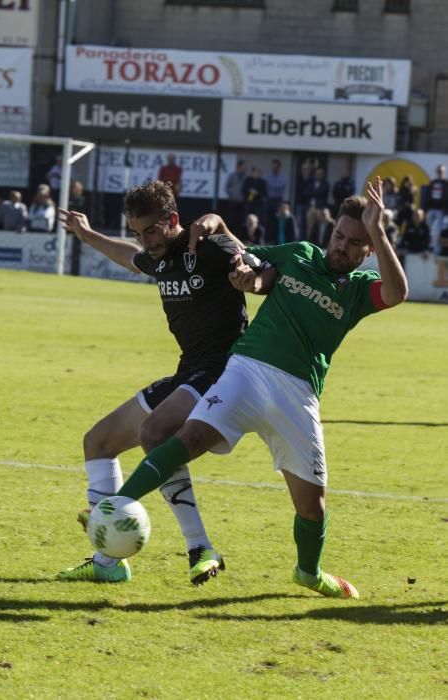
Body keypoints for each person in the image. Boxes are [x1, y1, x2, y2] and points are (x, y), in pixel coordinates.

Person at [112, 177, 408, 600]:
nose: (340, 245)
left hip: (298, 394)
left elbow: (398, 294)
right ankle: (115, 504)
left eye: (354, 242)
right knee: (190, 435)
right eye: (339, 235)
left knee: (312, 506)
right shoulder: (300, 253)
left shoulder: (359, 290)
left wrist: (379, 229)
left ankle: (308, 572)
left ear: (369, 250)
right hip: (246, 370)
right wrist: (226, 238)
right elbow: (245, 259)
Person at [57, 181, 273, 584]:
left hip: (223, 371)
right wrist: (87, 235)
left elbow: (263, 269)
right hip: (188, 370)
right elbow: (130, 256)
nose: (145, 241)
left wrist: (248, 271)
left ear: (173, 220)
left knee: (154, 432)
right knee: (98, 442)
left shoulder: (207, 248)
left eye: (151, 231)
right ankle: (109, 563)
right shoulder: (158, 257)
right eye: (138, 232)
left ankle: (199, 546)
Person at [424, 165, 448, 253]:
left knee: (438, 230)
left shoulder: (446, 183)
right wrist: (426, 207)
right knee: (429, 227)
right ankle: (429, 245)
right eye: (439, 171)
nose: (440, 173)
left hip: (441, 210)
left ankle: (436, 249)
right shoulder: (433, 182)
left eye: (441, 172)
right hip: (431, 208)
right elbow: (428, 195)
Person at [265, 159, 286, 241]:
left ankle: (275, 239)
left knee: (276, 219)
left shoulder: (282, 176)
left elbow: (280, 185)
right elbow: (267, 184)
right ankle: (267, 239)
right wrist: (273, 184)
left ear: (279, 167)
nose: (274, 168)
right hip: (269, 199)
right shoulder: (269, 175)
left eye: (276, 166)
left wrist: (271, 183)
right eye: (273, 166)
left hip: (278, 200)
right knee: (268, 220)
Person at [225, 159, 247, 233]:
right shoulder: (232, 176)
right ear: (239, 167)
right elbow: (227, 187)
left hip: (242, 201)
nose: (244, 168)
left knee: (240, 219)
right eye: (243, 166)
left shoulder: (245, 177)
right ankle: (229, 232)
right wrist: (232, 195)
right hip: (233, 200)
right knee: (231, 218)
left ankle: (238, 234)